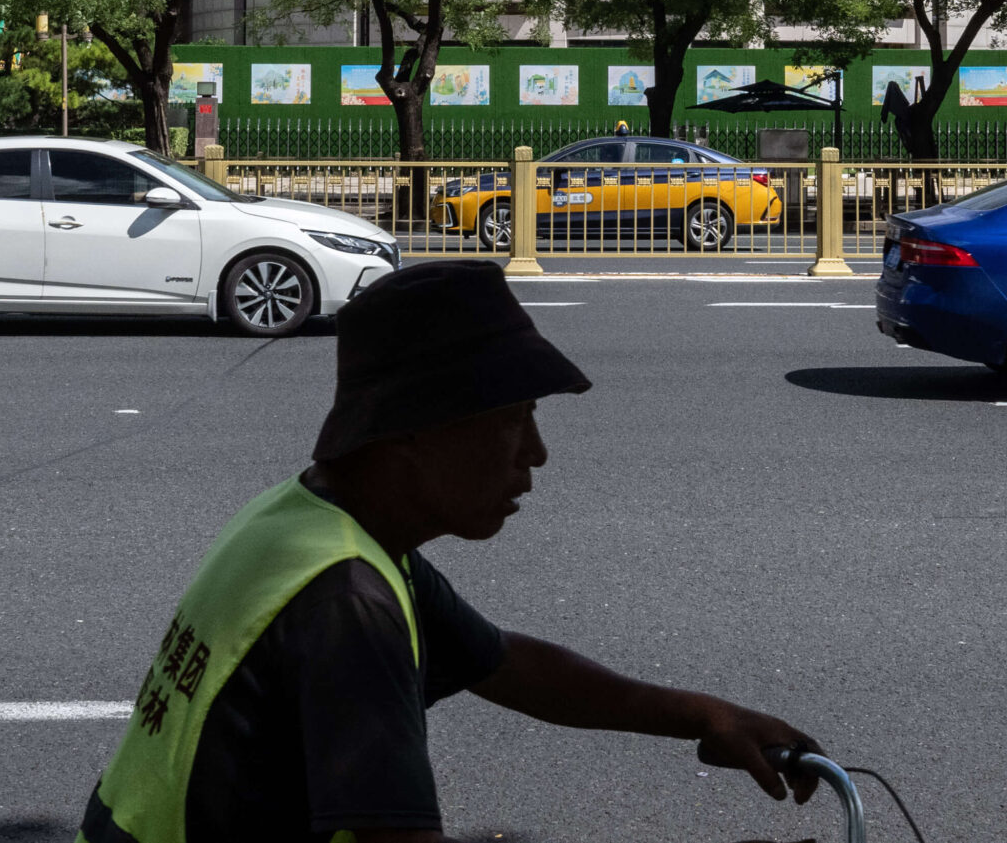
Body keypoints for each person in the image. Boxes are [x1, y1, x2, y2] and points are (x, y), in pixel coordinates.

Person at [77, 260, 819, 843]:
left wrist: (704, 715)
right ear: (413, 430)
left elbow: (503, 662)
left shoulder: (312, 521)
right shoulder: (347, 602)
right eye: (514, 420)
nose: (537, 454)